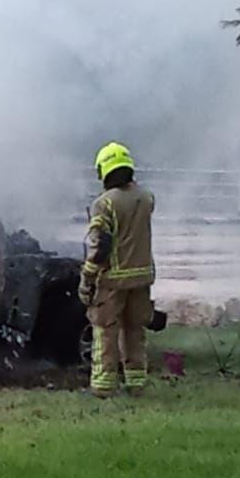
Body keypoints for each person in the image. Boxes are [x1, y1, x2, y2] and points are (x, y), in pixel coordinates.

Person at [79, 142, 156, 397]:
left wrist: (87, 279)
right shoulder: (147, 198)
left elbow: (99, 246)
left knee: (106, 332)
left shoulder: (104, 204)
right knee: (135, 331)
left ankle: (103, 387)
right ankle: (136, 383)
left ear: (104, 170)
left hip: (112, 279)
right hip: (142, 277)